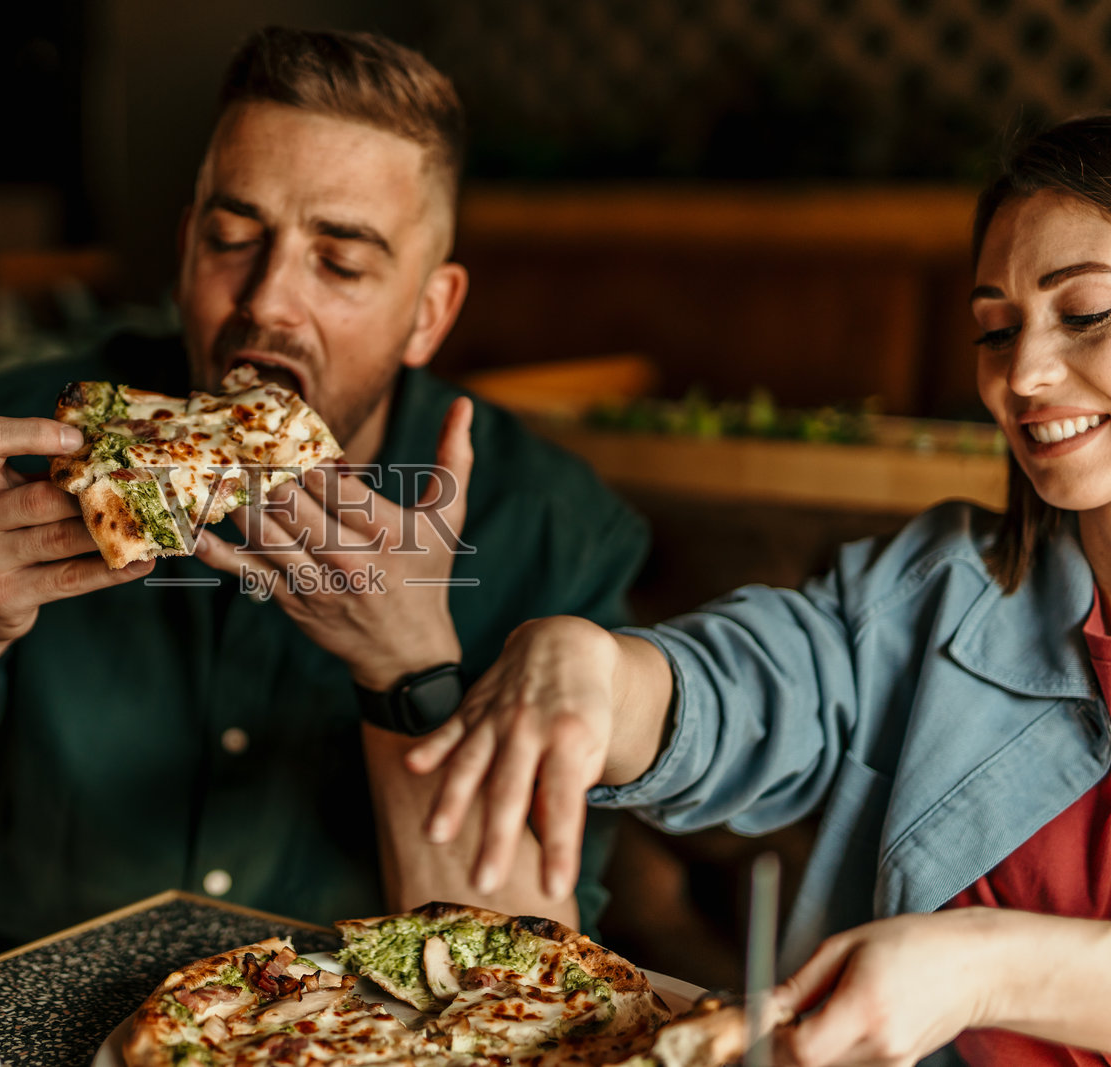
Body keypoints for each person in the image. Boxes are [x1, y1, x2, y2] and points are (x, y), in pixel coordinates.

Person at [0, 26, 647, 965]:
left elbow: (514, 981)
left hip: (326, 1030)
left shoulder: (553, 527)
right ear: (185, 248)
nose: (266, 302)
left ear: (429, 312)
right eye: (232, 238)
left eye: (339, 262)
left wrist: (409, 667)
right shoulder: (25, 443)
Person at [411, 114, 1111, 1066]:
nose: (1022, 375)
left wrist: (988, 968)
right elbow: (758, 677)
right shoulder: (947, 587)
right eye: (996, 329)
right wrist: (598, 669)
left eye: (1086, 312)